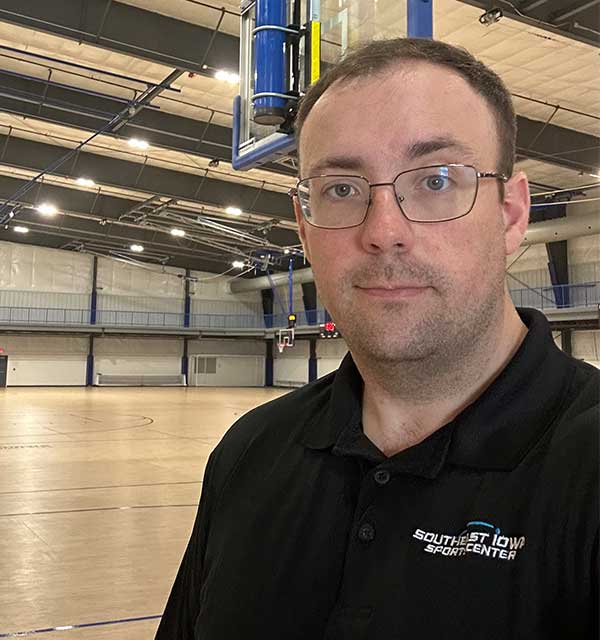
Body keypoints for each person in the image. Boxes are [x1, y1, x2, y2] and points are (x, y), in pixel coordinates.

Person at [156, 38, 598, 639]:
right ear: (305, 230)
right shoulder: (249, 454)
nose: (384, 230)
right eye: (341, 188)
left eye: (437, 181)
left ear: (511, 214)